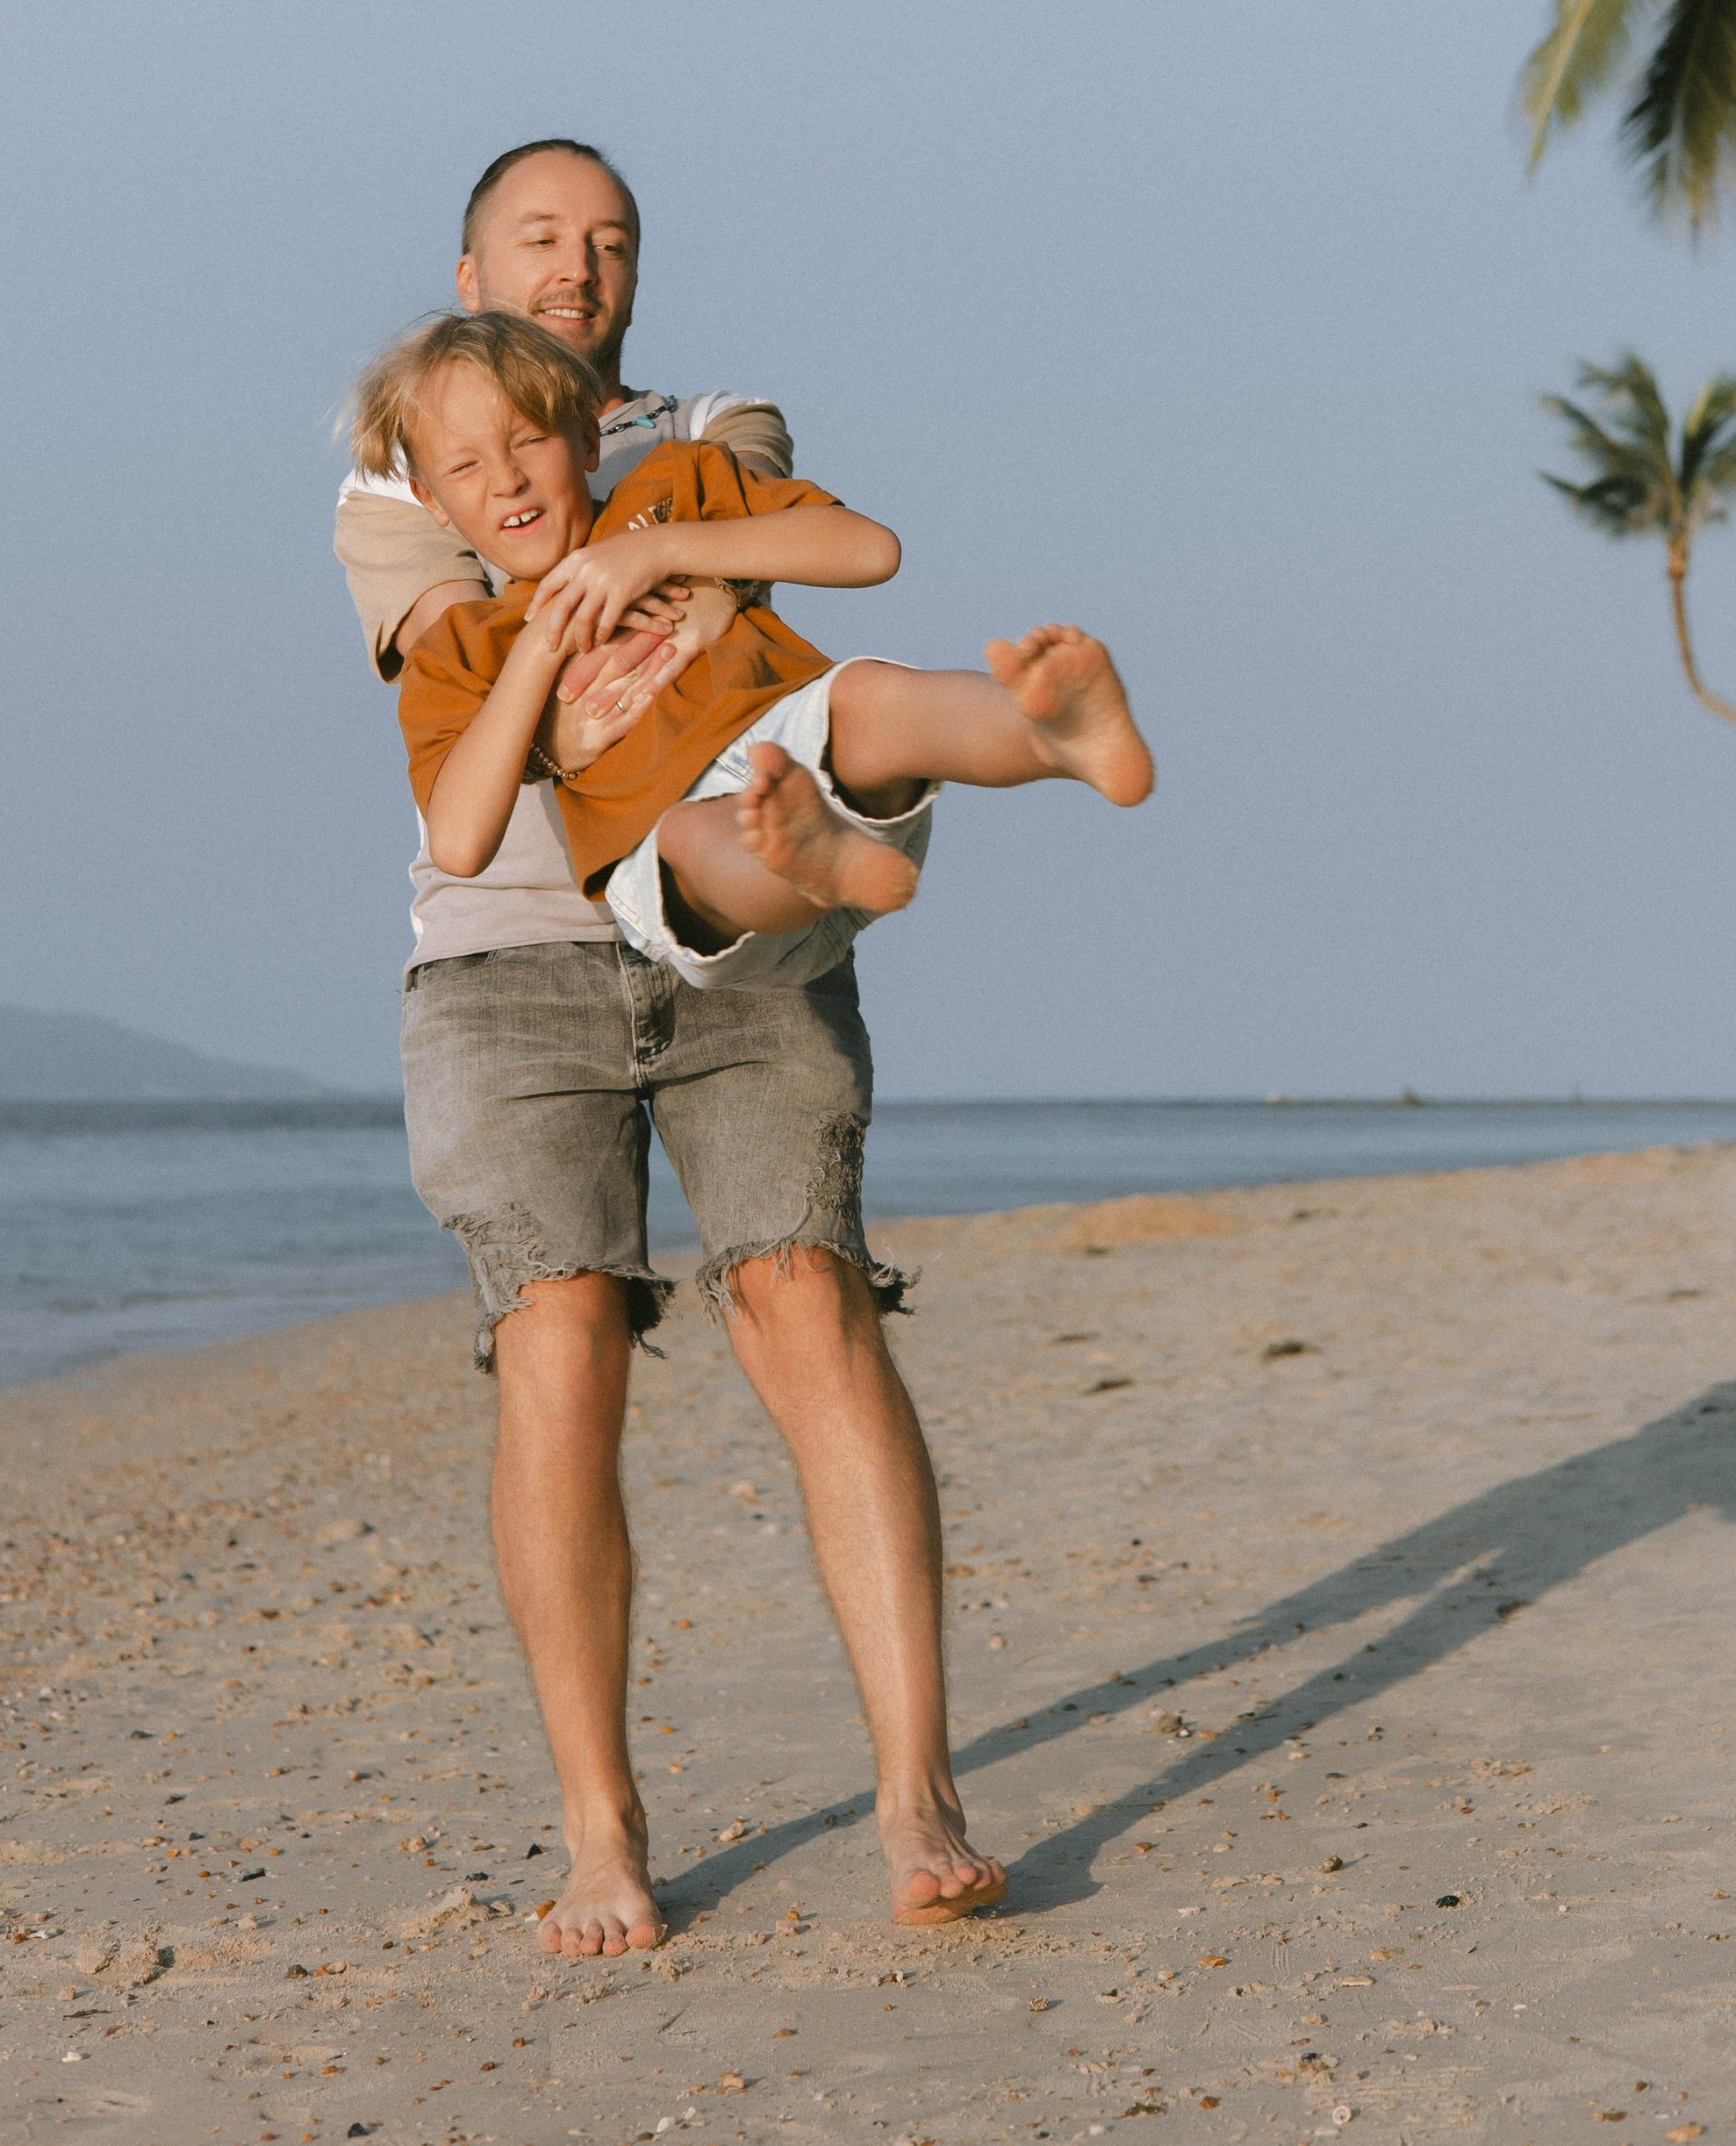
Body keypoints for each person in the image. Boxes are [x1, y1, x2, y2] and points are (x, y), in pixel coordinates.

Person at [332, 140, 1015, 1954]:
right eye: (540, 238)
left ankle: (917, 1794)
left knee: (806, 1299)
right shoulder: (396, 480)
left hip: (731, 923)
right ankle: (599, 1828)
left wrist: (681, 558)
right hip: (508, 975)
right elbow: (478, 665)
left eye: (610, 242)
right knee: (559, 1336)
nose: (577, 267)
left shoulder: (720, 418)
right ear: (469, 259)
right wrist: (635, 582)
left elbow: (775, 579)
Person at [355, 307, 1152, 993]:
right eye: (465, 466)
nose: (507, 480)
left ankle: (1052, 733)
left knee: (869, 693)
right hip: (679, 854)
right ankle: (803, 868)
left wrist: (662, 550)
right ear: (432, 501)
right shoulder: (461, 650)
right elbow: (460, 842)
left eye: (529, 440)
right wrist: (538, 648)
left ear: (588, 441)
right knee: (699, 842)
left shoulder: (674, 489)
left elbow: (870, 550)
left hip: (810, 760)